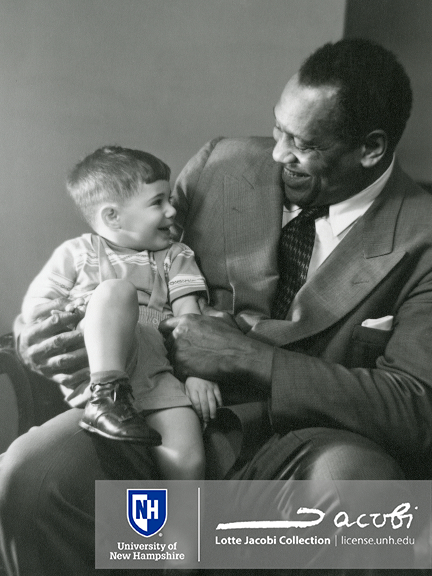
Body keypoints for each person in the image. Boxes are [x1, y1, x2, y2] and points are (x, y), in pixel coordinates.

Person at [0, 37, 431, 575]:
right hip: (161, 409)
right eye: (279, 130)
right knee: (30, 477)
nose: (277, 155)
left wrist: (250, 357)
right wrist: (40, 333)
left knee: (370, 512)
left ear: (370, 148)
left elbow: (416, 408)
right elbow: (125, 266)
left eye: (304, 145)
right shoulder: (218, 165)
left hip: (304, 446)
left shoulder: (424, 235)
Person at [21, 145, 223, 481]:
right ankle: (107, 396)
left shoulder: (176, 256)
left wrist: (199, 373)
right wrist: (71, 319)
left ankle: (185, 530)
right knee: (116, 291)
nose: (173, 211)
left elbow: (192, 323)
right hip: (97, 368)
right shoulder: (78, 252)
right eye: (158, 202)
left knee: (187, 458)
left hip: (156, 373)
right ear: (112, 217)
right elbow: (39, 309)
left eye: (170, 199)